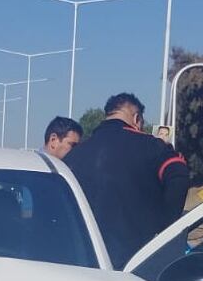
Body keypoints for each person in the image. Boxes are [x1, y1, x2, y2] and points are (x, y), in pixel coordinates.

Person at [63, 92, 193, 268]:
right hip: (136, 259)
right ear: (137, 118)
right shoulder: (150, 146)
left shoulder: (75, 155)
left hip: (82, 258)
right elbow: (178, 174)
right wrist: (165, 229)